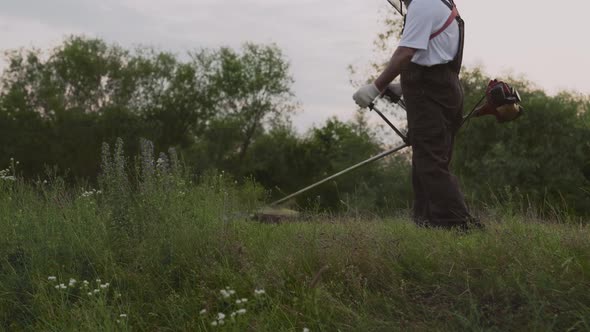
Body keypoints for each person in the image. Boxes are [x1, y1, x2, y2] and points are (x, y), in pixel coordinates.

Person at [353, 0, 476, 229]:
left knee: (430, 163)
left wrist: (375, 88)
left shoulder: (423, 4)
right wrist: (400, 88)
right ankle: (426, 224)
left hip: (432, 95)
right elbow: (435, 57)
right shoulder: (440, 4)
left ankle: (458, 226)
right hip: (442, 90)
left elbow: (405, 53)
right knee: (425, 161)